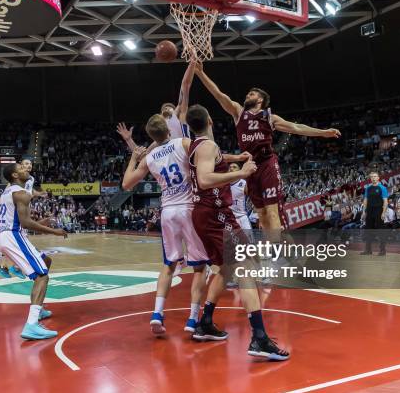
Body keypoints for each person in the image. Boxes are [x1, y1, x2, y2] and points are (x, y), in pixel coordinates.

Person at [122, 114, 248, 334]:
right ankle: (192, 319)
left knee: (168, 266)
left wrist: (134, 157)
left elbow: (126, 184)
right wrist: (236, 157)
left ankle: (157, 314)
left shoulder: (150, 157)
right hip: (189, 209)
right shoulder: (183, 143)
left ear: (152, 136)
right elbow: (208, 153)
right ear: (168, 130)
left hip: (167, 212)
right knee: (200, 268)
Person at [186, 104, 289, 361]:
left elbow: (213, 161)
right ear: (210, 119)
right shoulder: (208, 147)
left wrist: (236, 158)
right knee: (248, 268)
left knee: (225, 269)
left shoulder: (195, 146)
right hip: (216, 214)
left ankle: (205, 321)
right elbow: (205, 179)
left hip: (203, 215)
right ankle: (259, 338)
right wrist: (241, 173)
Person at [193, 62, 340, 231]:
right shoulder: (238, 112)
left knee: (272, 213)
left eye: (252, 94)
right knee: (261, 216)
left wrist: (323, 132)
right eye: (248, 93)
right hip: (250, 167)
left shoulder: (270, 117)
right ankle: (276, 253)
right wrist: (200, 73)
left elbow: (297, 128)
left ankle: (276, 256)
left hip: (267, 164)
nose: (248, 95)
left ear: (260, 100)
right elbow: (218, 94)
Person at [0, 163, 67, 340]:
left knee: (46, 262)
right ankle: (32, 325)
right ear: (14, 175)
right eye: (21, 168)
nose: (26, 169)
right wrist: (55, 232)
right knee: (42, 276)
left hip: (8, 236)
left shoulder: (8, 192)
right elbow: (26, 223)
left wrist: (43, 222)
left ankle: (39, 309)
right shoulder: (21, 194)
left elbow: (20, 221)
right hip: (13, 236)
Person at [116, 62, 196, 150]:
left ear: (177, 111)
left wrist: (192, 64)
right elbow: (142, 156)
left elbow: (185, 85)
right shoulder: (159, 140)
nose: (166, 108)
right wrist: (128, 140)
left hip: (186, 153)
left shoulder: (179, 117)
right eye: (164, 108)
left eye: (170, 107)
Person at [0, 158, 47, 279]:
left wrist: (39, 194)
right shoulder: (16, 182)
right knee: (14, 240)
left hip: (24, 208)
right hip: (13, 213)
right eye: (25, 164)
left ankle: (17, 266)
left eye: (30, 164)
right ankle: (5, 267)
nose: (28, 166)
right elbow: (10, 192)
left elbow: (30, 192)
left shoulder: (30, 179)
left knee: (21, 240)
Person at [361, 171, 388, 256]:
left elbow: (385, 201)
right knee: (368, 230)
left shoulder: (382, 188)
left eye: (375, 176)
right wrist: (363, 212)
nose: (373, 178)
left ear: (378, 178)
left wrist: (383, 212)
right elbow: (365, 200)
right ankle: (368, 250)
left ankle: (382, 250)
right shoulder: (368, 188)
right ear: (370, 178)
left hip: (379, 210)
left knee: (380, 231)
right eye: (372, 176)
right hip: (369, 211)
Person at [228, 162, 252, 230]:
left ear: (239, 171)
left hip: (242, 217)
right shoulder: (224, 184)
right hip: (229, 218)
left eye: (234, 167)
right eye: (230, 167)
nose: (231, 168)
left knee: (249, 240)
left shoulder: (244, 183)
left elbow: (253, 196)